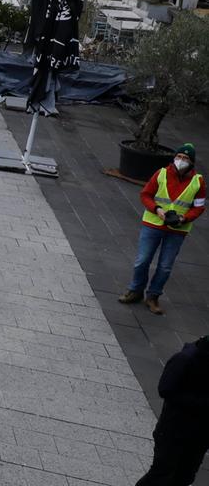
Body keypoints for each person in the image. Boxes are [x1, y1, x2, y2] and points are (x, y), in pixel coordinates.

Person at [120, 144, 204, 316]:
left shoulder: (198, 182)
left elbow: (199, 207)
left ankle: (153, 296)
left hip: (177, 230)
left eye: (186, 158)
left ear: (192, 162)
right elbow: (145, 195)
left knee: (165, 266)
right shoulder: (162, 174)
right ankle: (135, 290)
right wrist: (157, 209)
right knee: (142, 261)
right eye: (179, 156)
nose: (181, 160)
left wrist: (184, 218)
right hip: (153, 223)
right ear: (174, 158)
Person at [136, 334, 209, 485]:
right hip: (173, 430)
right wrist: (202, 403)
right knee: (161, 474)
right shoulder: (185, 359)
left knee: (185, 476)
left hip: (200, 435)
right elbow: (165, 389)